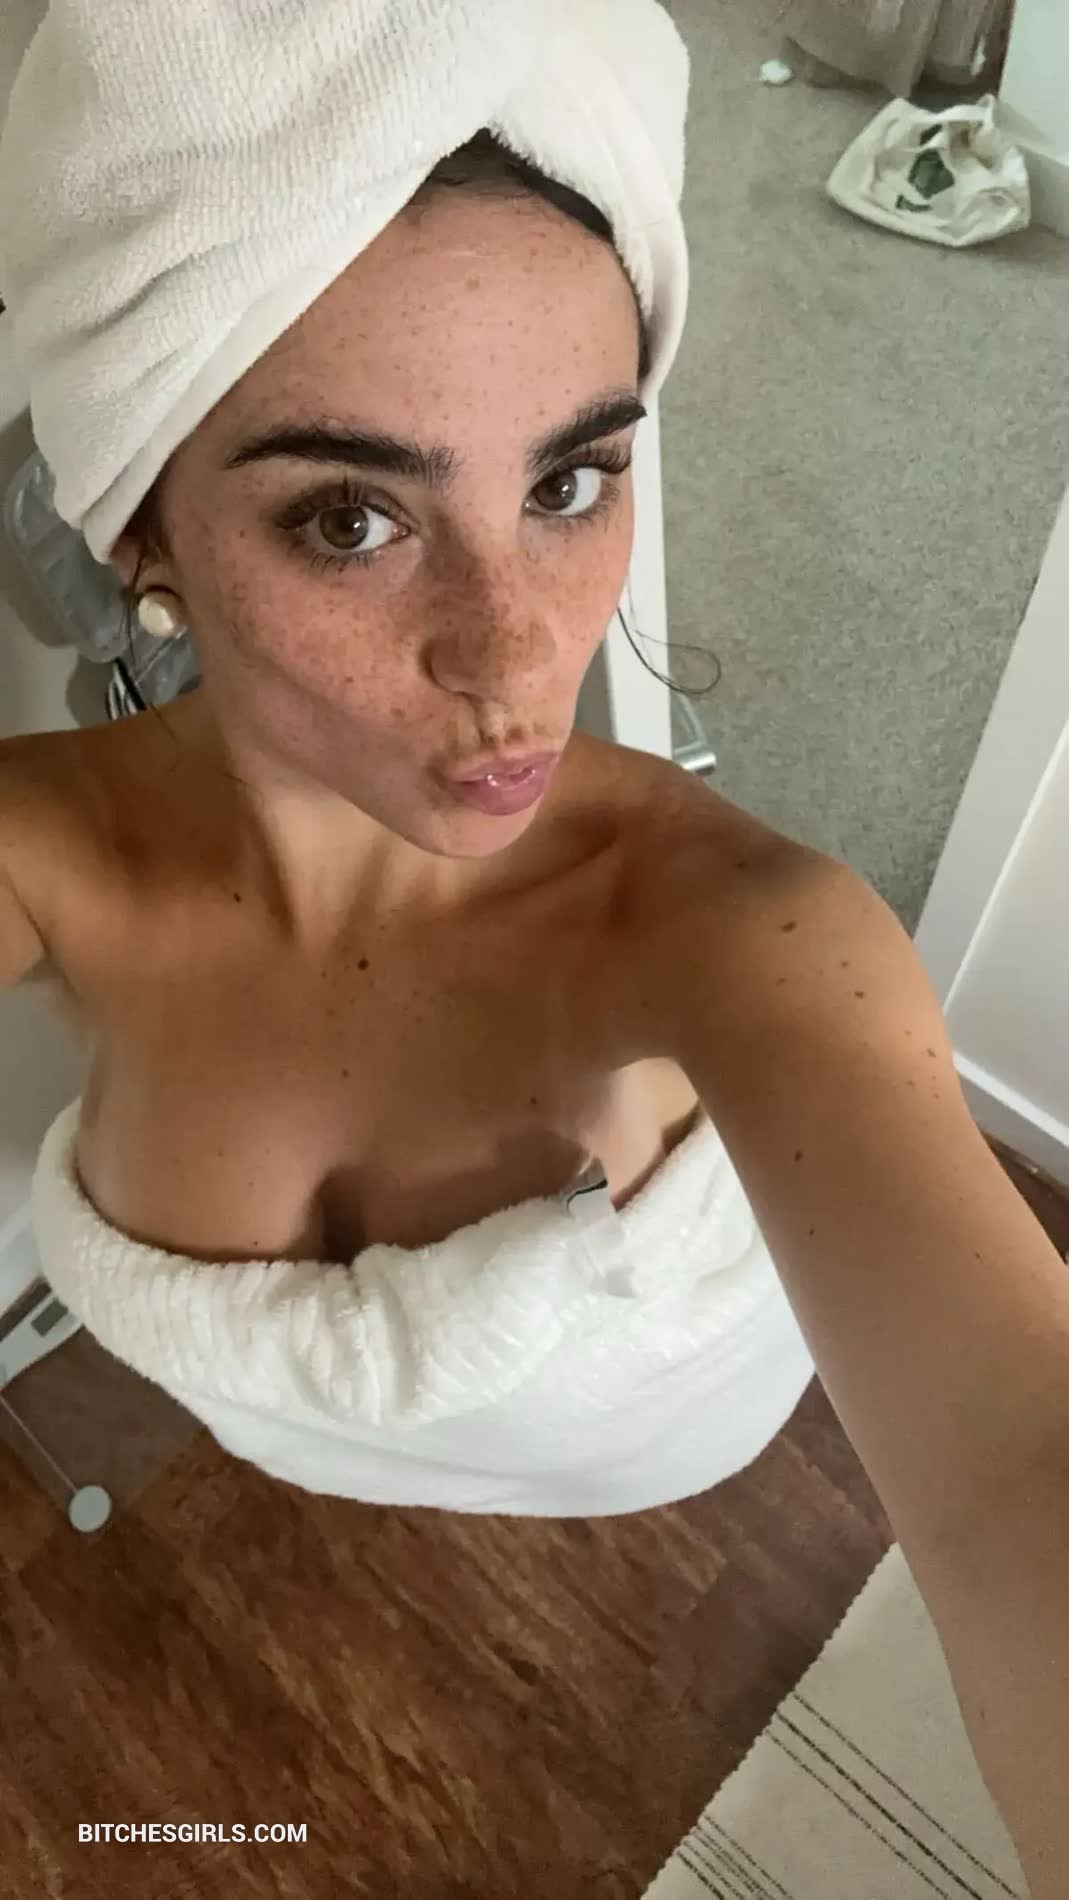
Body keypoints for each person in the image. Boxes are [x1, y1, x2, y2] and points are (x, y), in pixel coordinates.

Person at [1, 3, 1067, 1891]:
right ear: (142, 532)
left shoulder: (747, 937)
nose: (517, 658)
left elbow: (1014, 1464)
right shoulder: (42, 849)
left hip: (665, 1449)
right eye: (350, 518)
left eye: (570, 482)